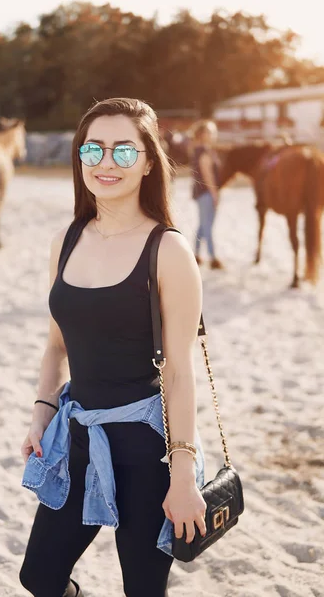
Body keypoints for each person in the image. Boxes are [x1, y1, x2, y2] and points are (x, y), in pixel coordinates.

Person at [19, 98, 206, 597]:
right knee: (38, 577)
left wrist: (183, 475)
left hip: (147, 450)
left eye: (124, 151)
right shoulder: (67, 238)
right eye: (93, 149)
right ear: (79, 158)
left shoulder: (167, 250)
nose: (106, 163)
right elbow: (57, 342)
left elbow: (180, 372)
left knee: (143, 590)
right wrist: (42, 409)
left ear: (148, 162)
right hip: (78, 436)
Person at [191, 119, 223, 269]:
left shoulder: (199, 150)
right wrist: (215, 194)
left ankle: (196, 254)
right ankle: (213, 258)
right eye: (210, 132)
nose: (213, 135)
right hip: (206, 193)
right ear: (203, 134)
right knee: (208, 226)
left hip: (201, 193)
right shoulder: (204, 152)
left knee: (202, 225)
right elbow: (207, 175)